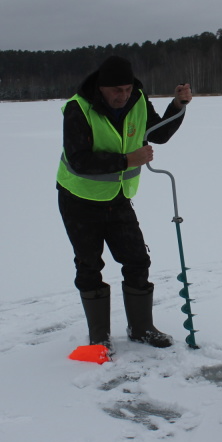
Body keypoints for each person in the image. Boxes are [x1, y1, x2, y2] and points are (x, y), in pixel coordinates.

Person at [57, 55, 192, 350]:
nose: (123, 96)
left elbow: (158, 133)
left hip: (118, 199)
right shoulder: (78, 108)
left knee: (137, 259)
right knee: (89, 266)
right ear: (101, 88)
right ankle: (99, 338)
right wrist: (127, 160)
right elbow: (79, 160)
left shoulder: (138, 100)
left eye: (128, 89)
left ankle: (141, 328)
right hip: (78, 200)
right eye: (116, 90)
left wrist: (178, 106)